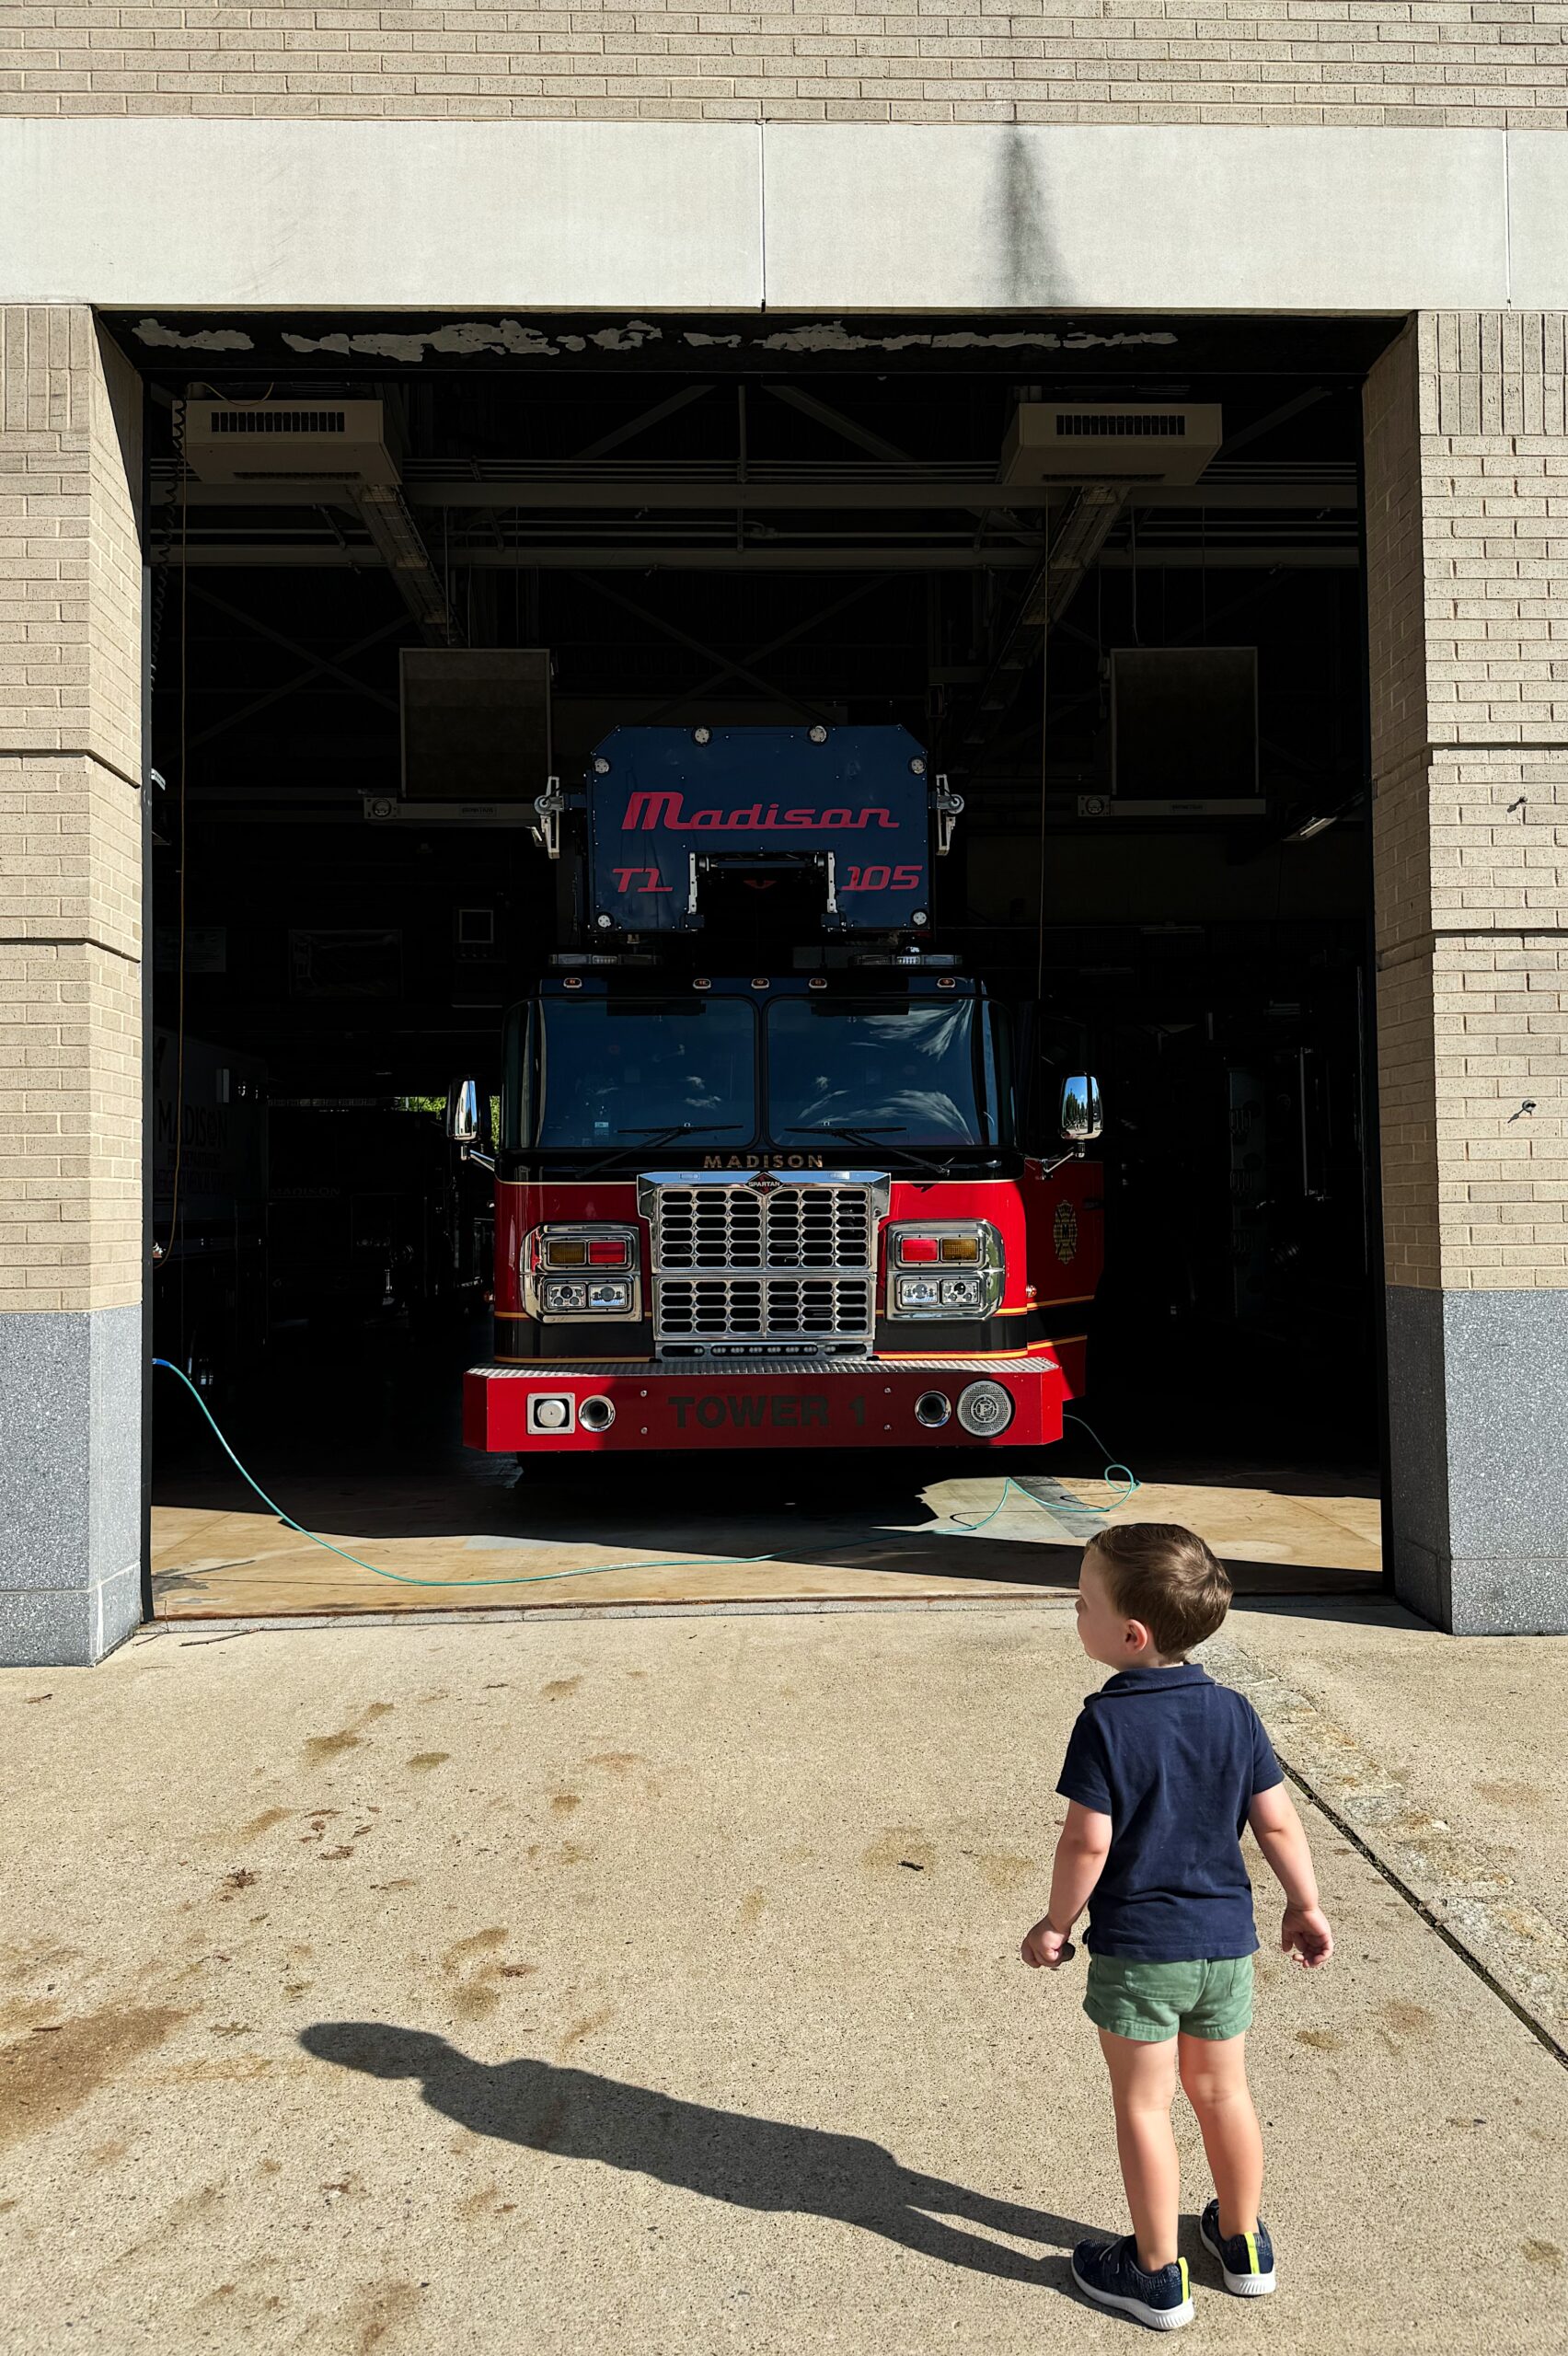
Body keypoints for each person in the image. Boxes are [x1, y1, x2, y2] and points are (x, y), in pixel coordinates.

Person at [1021, 1522, 1332, 2331]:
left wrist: (1057, 1924)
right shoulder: (1234, 1713)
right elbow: (1278, 1826)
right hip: (1226, 1946)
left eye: (1082, 1602)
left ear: (1131, 1634)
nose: (1074, 1611)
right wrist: (1304, 1903)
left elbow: (1088, 1839)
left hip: (1139, 1953)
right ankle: (1243, 2244)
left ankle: (1157, 2274)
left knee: (1145, 2106)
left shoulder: (1106, 1724)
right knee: (1223, 2090)